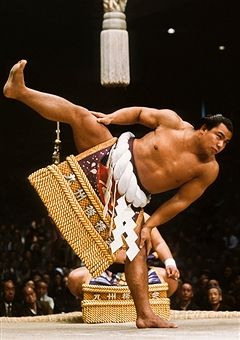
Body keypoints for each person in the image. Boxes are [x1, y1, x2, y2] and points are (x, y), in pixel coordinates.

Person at [3, 59, 233, 328]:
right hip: (112, 156)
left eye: (226, 142)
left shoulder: (208, 170)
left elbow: (181, 201)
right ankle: (19, 91)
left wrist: (150, 224)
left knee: (136, 250)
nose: (220, 144)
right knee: (81, 115)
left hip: (132, 197)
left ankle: (145, 314)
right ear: (203, 128)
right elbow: (137, 113)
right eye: (218, 135)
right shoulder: (172, 122)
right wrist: (113, 118)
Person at [68, 217, 180, 299]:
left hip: (141, 270)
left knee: (171, 279)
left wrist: (170, 263)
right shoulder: (98, 216)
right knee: (75, 277)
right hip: (104, 270)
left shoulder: (144, 217)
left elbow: (159, 244)